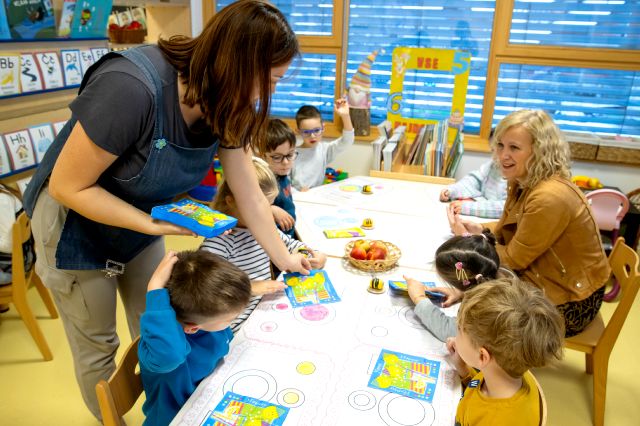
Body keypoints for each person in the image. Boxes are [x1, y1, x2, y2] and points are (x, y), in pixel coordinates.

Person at [21, 1, 309, 419]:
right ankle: (112, 418)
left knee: (167, 320)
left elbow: (248, 192)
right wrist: (150, 223)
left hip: (141, 220)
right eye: (270, 80)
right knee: (99, 345)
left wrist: (286, 258)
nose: (269, 94)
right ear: (237, 64)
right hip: (74, 227)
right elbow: (68, 186)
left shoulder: (227, 99)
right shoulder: (130, 87)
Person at [447, 109, 610, 337]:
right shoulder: (522, 181)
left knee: (475, 314)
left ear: (540, 151)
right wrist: (481, 229)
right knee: (465, 279)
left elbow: (513, 260)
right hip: (549, 281)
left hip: (572, 302)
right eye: (500, 145)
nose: (503, 155)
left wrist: (467, 239)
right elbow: (507, 229)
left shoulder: (548, 197)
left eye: (514, 147)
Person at [200, 157, 327, 332]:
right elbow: (205, 291)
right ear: (230, 201)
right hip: (235, 326)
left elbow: (290, 244)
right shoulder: (220, 240)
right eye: (260, 207)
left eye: (270, 205)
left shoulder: (264, 229)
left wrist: (312, 255)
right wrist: (251, 287)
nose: (267, 214)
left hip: (263, 310)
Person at [138, 249, 251, 426]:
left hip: (208, 399)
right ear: (192, 329)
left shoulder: (206, 317)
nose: (234, 321)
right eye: (230, 319)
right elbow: (171, 356)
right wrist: (155, 289)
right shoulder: (163, 349)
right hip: (174, 419)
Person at [447, 277, 564, 426]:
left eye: (459, 330)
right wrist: (463, 369)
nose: (455, 336)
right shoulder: (506, 371)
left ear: (482, 356)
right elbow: (477, 386)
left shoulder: (498, 420)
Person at [405, 230, 503, 342]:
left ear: (462, 280)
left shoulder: (482, 309)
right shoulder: (499, 276)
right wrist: (462, 293)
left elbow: (450, 331)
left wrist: (419, 298)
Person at [291, 99, 354, 191]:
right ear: (298, 131)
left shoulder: (324, 150)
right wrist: (297, 192)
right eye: (306, 132)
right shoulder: (291, 154)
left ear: (323, 128)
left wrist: (345, 116)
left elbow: (347, 141)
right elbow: (284, 183)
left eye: (316, 130)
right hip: (297, 197)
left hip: (317, 195)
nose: (312, 136)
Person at [263, 118, 298, 237]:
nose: (285, 162)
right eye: (277, 157)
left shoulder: (282, 175)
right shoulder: (264, 181)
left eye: (290, 155)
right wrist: (270, 209)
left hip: (289, 235)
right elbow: (249, 208)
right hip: (277, 240)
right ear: (262, 155)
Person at [439, 159, 507, 219]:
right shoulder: (493, 164)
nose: (504, 154)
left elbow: (506, 208)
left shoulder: (513, 175)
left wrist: (469, 207)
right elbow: (474, 180)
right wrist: (453, 190)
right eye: (499, 148)